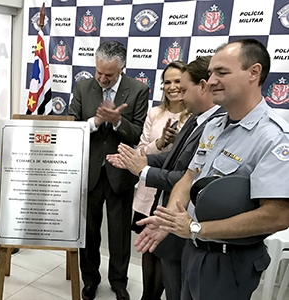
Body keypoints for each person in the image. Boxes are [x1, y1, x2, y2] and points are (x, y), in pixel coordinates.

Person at [136, 39, 289, 300]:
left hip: (230, 261)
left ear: (254, 72)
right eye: (210, 73)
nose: (212, 80)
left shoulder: (274, 137)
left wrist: (197, 229)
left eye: (222, 72)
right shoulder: (215, 125)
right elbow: (189, 177)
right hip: (193, 250)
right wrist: (170, 220)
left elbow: (277, 216)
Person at [108, 56, 225, 300]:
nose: (179, 95)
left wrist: (143, 170)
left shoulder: (216, 124)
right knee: (167, 276)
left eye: (183, 88)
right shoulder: (196, 118)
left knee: (178, 286)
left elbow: (188, 177)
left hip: (184, 215)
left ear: (202, 86)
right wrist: (141, 161)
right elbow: (172, 158)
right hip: (162, 208)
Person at [68, 40, 149, 300]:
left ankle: (119, 281)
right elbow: (72, 126)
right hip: (90, 173)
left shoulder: (138, 90)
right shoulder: (82, 87)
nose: (102, 78)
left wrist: (117, 122)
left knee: (119, 233)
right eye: (99, 72)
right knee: (89, 232)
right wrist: (96, 121)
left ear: (122, 69)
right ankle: (90, 280)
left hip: (120, 173)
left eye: (109, 75)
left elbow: (137, 133)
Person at [130, 60, 190, 300]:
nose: (172, 87)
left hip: (173, 195)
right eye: (167, 82)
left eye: (178, 81)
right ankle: (147, 296)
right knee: (148, 247)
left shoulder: (195, 114)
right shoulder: (155, 112)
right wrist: (161, 142)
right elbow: (142, 151)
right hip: (148, 192)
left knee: (165, 252)